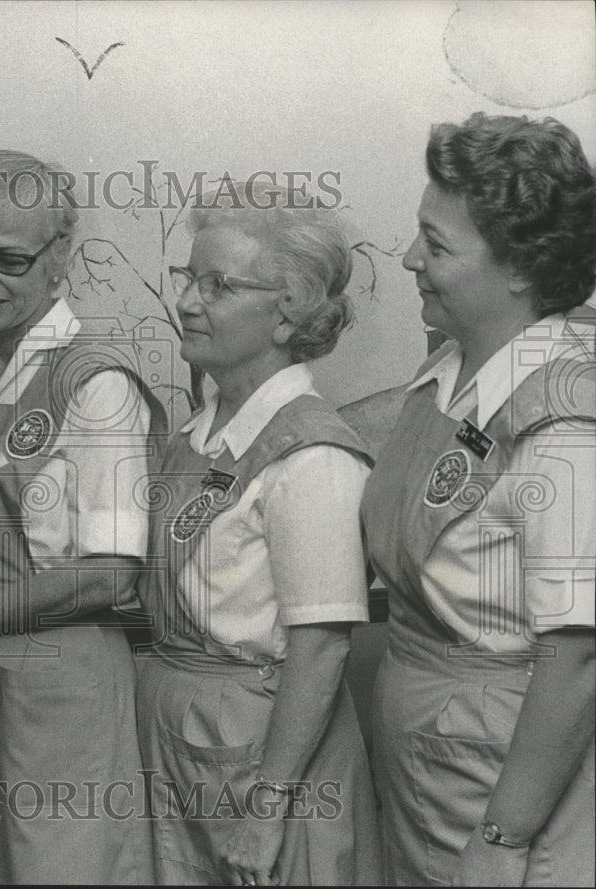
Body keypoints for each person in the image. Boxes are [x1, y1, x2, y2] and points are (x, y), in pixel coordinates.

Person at [0, 149, 164, 884]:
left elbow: (113, 573)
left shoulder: (96, 383)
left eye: (10, 260)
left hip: (58, 688)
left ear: (59, 258)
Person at [362, 112, 596, 887]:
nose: (408, 258)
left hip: (502, 782)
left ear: (522, 268)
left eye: (437, 244)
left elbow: (579, 656)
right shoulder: (451, 370)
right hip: (429, 759)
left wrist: (501, 837)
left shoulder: (565, 424)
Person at [135, 180, 382, 885]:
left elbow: (321, 646)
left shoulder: (312, 456)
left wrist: (267, 808)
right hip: (185, 737)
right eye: (189, 278)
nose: (186, 300)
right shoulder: (198, 434)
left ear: (288, 311)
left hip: (263, 756)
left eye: (218, 285)